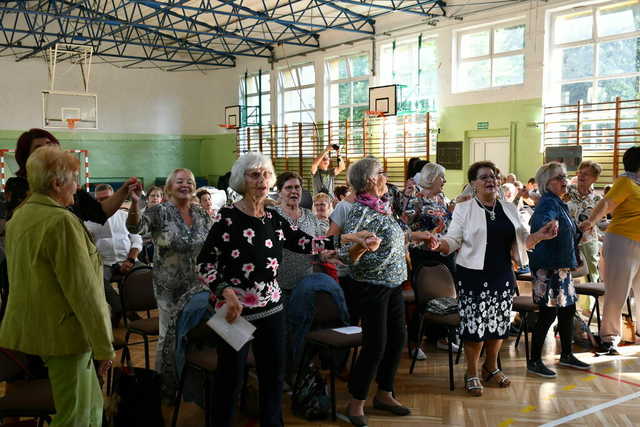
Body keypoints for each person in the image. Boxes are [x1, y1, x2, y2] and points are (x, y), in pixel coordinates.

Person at [196, 152, 371, 427]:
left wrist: (347, 237)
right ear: (242, 180)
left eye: (265, 174)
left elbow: (308, 243)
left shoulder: (273, 218)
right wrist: (224, 291)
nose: (262, 180)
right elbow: (205, 263)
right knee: (230, 380)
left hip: (273, 309)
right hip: (234, 312)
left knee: (274, 377)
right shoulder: (227, 218)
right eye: (254, 174)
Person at [0, 146, 114, 426]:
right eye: (74, 179)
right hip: (68, 335)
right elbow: (84, 292)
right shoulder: (61, 221)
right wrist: (104, 348)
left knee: (88, 409)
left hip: (35, 328)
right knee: (76, 415)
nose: (77, 187)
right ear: (57, 183)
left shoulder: (19, 216)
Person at [431, 161, 557, 396]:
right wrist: (440, 245)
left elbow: (521, 243)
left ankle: (491, 367)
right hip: (473, 276)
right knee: (475, 327)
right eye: (484, 177)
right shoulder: (464, 209)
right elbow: (453, 240)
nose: (491, 180)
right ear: (473, 184)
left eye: (494, 176)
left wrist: (540, 236)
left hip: (502, 274)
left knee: (498, 324)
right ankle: (471, 372)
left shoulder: (508, 208)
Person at [339, 157, 435, 426]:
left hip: (394, 284)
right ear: (369, 180)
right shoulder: (360, 214)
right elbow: (346, 255)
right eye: (381, 173)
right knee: (375, 344)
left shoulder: (382, 208)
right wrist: (361, 247)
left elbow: (398, 236)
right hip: (372, 287)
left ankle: (385, 393)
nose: (386, 177)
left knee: (396, 340)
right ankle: (356, 401)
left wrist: (423, 238)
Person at [126, 168, 213, 396]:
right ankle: (168, 388)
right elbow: (134, 227)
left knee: (196, 335)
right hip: (170, 288)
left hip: (200, 286)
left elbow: (214, 245)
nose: (185, 185)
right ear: (169, 187)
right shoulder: (159, 212)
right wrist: (135, 203)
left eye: (190, 181)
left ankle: (194, 385)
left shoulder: (202, 214)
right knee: (170, 336)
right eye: (180, 181)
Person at [527, 162, 591, 377]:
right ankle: (534, 360)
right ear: (547, 182)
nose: (565, 181)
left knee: (567, 311)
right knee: (547, 314)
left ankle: (566, 355)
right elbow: (540, 224)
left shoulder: (558, 202)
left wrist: (579, 230)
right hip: (548, 267)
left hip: (561, 266)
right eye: (559, 178)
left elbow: (565, 232)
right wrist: (548, 227)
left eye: (565, 177)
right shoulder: (547, 203)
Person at [4, 129, 138, 222]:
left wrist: (124, 190)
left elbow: (100, 212)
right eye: (39, 148)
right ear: (26, 158)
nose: (48, 151)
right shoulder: (18, 185)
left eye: (51, 145)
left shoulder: (68, 187)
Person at [581, 146, 640, 355]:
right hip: (622, 243)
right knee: (617, 293)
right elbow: (606, 204)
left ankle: (638, 332)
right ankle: (609, 337)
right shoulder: (625, 182)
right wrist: (590, 221)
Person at [85, 184, 143, 327]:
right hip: (104, 263)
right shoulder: (88, 222)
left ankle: (120, 311)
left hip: (129, 259)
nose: (103, 203)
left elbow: (137, 239)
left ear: (115, 198)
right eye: (99, 200)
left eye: (107, 198)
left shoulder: (125, 216)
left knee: (146, 274)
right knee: (95, 281)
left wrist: (130, 259)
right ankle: (125, 310)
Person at [273, 171, 328, 299]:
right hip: (277, 286)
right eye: (288, 187)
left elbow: (320, 249)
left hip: (306, 285)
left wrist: (325, 255)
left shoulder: (311, 217)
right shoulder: (271, 216)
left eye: (297, 187)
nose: (294, 191)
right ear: (279, 192)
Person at [566, 161, 603, 283]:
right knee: (566, 272)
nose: (581, 176)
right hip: (567, 239)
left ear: (595, 178)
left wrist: (590, 223)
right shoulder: (567, 191)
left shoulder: (598, 200)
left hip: (588, 240)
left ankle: (592, 300)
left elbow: (599, 221)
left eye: (586, 174)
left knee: (592, 272)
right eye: (580, 173)